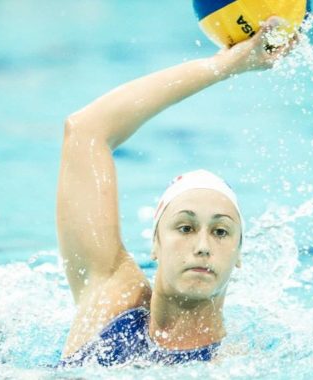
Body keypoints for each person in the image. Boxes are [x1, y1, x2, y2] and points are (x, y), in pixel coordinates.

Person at [56, 17, 298, 367]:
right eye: (185, 227)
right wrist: (226, 65)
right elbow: (85, 128)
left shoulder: (239, 366)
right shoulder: (110, 301)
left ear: (239, 253)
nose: (202, 246)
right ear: (155, 243)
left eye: (220, 232)